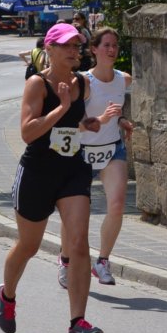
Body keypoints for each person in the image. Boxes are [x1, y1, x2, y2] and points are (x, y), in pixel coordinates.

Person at [0, 23, 106, 333]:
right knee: (28, 246)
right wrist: (62, 108)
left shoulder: (82, 83)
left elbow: (73, 124)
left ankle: (77, 323)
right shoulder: (37, 84)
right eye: (67, 45)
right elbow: (28, 132)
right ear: (50, 49)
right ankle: (7, 295)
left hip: (72, 170)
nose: (74, 51)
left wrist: (86, 123)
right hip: (38, 173)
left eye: (77, 45)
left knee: (79, 243)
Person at [57, 27, 134, 288]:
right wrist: (100, 119)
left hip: (112, 149)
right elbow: (72, 122)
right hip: (82, 153)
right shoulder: (83, 82)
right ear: (94, 49)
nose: (112, 50)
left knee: (117, 205)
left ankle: (102, 262)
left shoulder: (123, 80)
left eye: (115, 45)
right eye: (106, 45)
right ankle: (66, 261)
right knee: (76, 214)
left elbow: (115, 111)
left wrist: (121, 121)